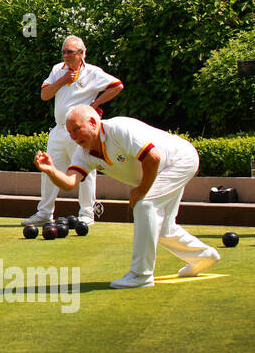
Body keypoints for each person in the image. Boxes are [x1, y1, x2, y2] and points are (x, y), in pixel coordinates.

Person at [35, 104, 220, 289]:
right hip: (163, 168)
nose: (73, 137)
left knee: (145, 205)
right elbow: (70, 182)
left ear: (92, 123)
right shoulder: (83, 153)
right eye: (70, 132)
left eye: (76, 129)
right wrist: (51, 170)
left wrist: (141, 189)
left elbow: (152, 157)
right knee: (163, 229)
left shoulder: (118, 129)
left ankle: (141, 275)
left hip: (179, 159)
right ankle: (203, 257)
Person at [26, 36, 122, 227]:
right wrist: (62, 80)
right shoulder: (57, 70)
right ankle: (44, 212)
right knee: (49, 169)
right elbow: (45, 95)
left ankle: (87, 214)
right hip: (59, 130)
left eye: (70, 52)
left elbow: (117, 85)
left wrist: (96, 104)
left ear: (81, 53)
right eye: (64, 52)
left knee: (85, 170)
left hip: (82, 132)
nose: (66, 56)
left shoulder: (93, 72)